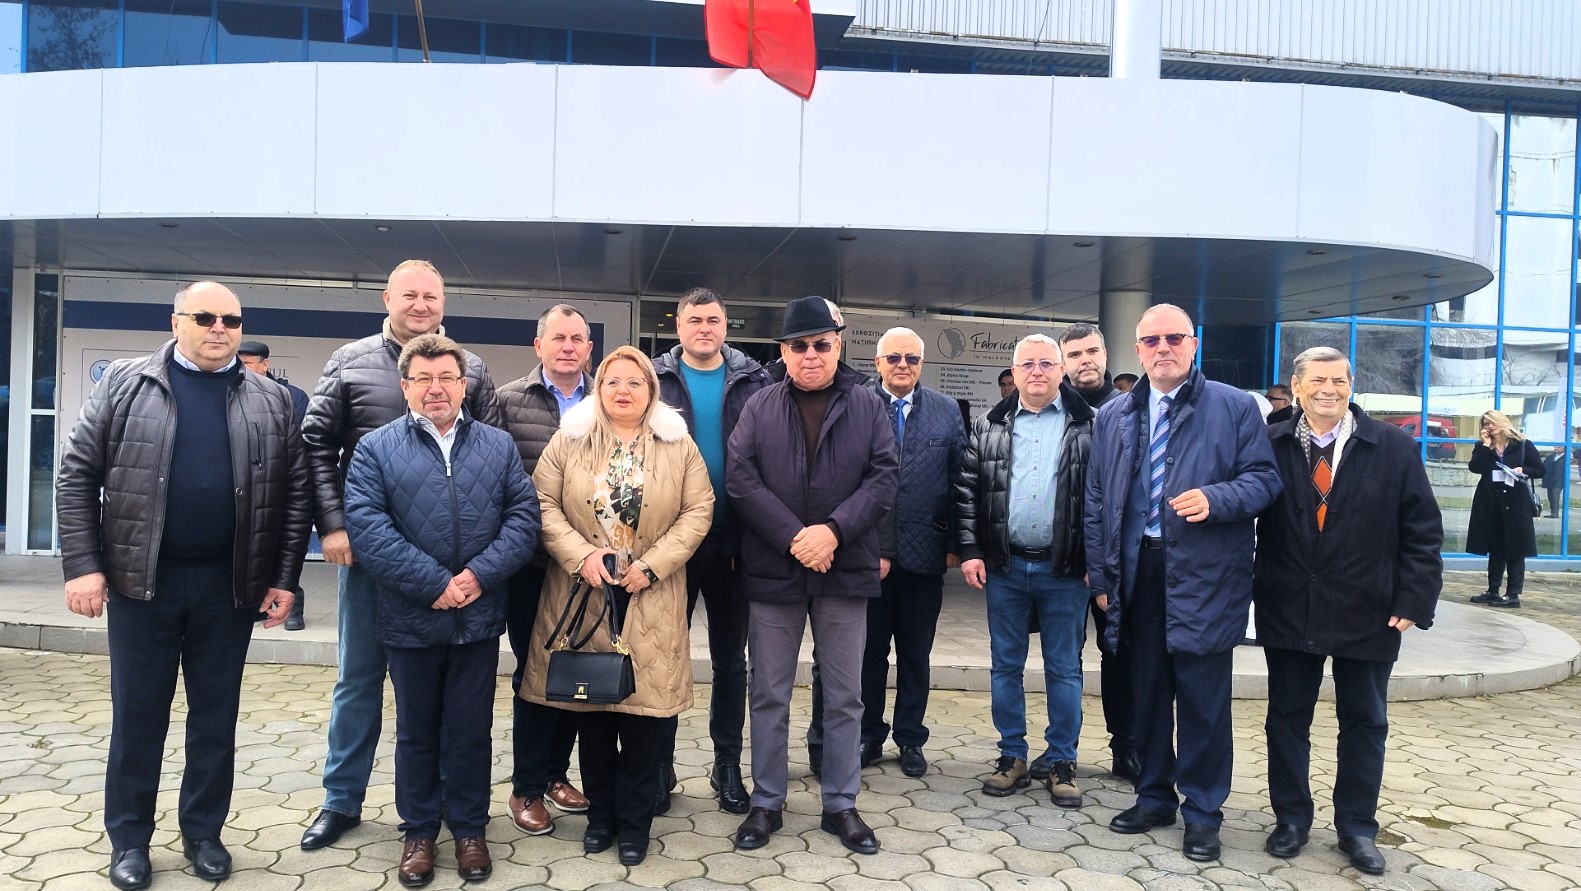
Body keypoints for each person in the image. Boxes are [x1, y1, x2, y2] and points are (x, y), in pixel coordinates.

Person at [58, 282, 311, 890]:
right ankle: (129, 840)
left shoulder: (271, 399)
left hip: (229, 588)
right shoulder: (126, 384)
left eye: (231, 319)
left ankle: (203, 833)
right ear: (176, 323)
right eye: (205, 317)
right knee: (138, 717)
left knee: (215, 719)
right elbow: (76, 475)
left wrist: (284, 579)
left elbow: (294, 494)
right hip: (142, 585)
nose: (219, 328)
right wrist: (84, 565)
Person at [300, 260, 503, 851]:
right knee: (359, 677)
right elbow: (315, 445)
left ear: (444, 302)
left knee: (441, 694)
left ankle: (440, 806)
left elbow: (491, 457)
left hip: (452, 568)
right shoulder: (349, 360)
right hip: (373, 556)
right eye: (409, 294)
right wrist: (333, 525)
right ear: (387, 298)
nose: (421, 305)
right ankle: (342, 799)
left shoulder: (472, 367)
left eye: (431, 296)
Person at [1084, 303, 1280, 862]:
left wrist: (1217, 499)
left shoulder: (1235, 406)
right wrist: (1101, 572)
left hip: (1205, 573)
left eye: (1174, 338)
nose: (1163, 348)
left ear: (1193, 344)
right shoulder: (1115, 414)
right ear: (1138, 350)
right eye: (1151, 341)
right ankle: (1153, 796)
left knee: (1202, 700)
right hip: (1137, 571)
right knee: (1146, 693)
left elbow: (1265, 480)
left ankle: (1203, 812)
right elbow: (1096, 498)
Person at [343, 334, 540, 887]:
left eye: (447, 378)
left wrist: (478, 576)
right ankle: (420, 832)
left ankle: (470, 829)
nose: (436, 388)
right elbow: (368, 526)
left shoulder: (497, 446)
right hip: (412, 616)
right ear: (405, 386)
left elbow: (523, 517)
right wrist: (433, 583)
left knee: (472, 729)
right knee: (417, 732)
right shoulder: (374, 449)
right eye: (423, 379)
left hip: (477, 616)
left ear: (464, 385)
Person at [520, 346, 713, 866]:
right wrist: (581, 555)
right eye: (612, 381)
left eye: (635, 382)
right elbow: (542, 503)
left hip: (652, 592)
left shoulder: (678, 444)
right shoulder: (571, 440)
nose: (623, 391)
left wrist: (653, 565)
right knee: (595, 714)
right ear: (598, 388)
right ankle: (601, 817)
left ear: (652, 390)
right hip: (584, 590)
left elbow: (699, 509)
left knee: (645, 719)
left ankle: (635, 823)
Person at [1253, 346, 1442, 876]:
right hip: (1289, 603)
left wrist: (1414, 598)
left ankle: (1357, 828)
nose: (1328, 389)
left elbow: (1423, 530)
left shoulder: (1393, 446)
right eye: (1317, 380)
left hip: (1369, 607)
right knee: (1286, 718)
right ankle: (1291, 819)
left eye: (1338, 380)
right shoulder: (1268, 442)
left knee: (1365, 721)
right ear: (1297, 387)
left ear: (1351, 385)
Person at [727, 296, 898, 855]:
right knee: (768, 692)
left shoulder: (868, 403)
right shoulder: (760, 405)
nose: (810, 355)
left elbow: (884, 475)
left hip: (844, 567)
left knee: (846, 695)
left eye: (821, 344)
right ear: (783, 351)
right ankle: (766, 802)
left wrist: (833, 532)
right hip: (774, 570)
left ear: (837, 345)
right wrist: (796, 538)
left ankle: (841, 804)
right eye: (798, 346)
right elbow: (741, 478)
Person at [956, 334, 1094, 807]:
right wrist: (970, 550)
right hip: (1006, 566)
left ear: (1062, 370)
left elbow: (1103, 499)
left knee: (1064, 668)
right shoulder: (988, 425)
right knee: (1005, 666)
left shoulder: (1089, 425)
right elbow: (967, 492)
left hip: (1065, 570)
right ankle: (1011, 755)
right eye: (1027, 364)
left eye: (1046, 363)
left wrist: (1097, 561)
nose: (1037, 371)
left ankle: (1062, 761)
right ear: (1013, 373)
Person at [653, 288, 772, 814]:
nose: (705, 328)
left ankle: (727, 765)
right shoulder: (655, 379)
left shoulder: (754, 381)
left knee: (730, 662)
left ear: (726, 326)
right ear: (678, 326)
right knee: (664, 657)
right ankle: (659, 766)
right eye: (695, 320)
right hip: (669, 546)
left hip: (734, 545)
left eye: (714, 320)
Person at [495, 304, 597, 835]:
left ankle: (557, 774)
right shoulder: (507, 401)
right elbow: (495, 481)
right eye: (558, 338)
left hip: (590, 571)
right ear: (539, 346)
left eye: (577, 339)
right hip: (532, 565)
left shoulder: (608, 400)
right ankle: (527, 787)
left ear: (589, 349)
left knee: (574, 673)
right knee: (535, 674)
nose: (568, 347)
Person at [862, 327, 965, 777]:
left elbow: (962, 480)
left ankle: (909, 738)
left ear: (922, 364)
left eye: (911, 358)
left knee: (915, 655)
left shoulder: (946, 410)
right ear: (878, 363)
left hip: (925, 556)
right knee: (868, 655)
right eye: (894, 357)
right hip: (868, 556)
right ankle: (868, 735)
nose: (902, 365)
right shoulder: (858, 404)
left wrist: (957, 544)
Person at [1047, 323, 1138, 787]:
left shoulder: (1131, 409)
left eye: (1092, 351)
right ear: (1063, 362)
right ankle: (1060, 753)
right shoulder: (1051, 407)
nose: (1085, 360)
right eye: (1075, 354)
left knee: (1119, 652)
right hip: (1062, 558)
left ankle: (1126, 747)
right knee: (1063, 658)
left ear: (1105, 354)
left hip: (1114, 558)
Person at [237, 339, 312, 631]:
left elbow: (298, 445)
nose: (241, 369)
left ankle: (293, 602)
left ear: (265, 365)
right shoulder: (230, 391)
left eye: (247, 363)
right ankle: (257, 603)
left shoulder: (292, 396)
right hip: (243, 489)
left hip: (279, 485)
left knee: (283, 548)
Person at [1466, 410, 1542, 609]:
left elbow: (1540, 469)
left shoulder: (1522, 445)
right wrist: (1485, 445)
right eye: (1486, 424)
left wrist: (1523, 470)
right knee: (1496, 548)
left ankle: (1513, 595)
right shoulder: (1483, 447)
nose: (1490, 427)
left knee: (1516, 549)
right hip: (1491, 503)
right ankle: (1493, 591)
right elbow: (1475, 467)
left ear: (1502, 422)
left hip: (1516, 504)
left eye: (1492, 423)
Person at [1542, 446, 1566, 518]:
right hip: (1549, 480)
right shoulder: (1551, 456)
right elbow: (1543, 465)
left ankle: (1555, 513)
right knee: (1550, 496)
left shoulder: (1565, 458)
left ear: (1564, 448)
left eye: (1558, 447)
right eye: (1555, 447)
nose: (1556, 448)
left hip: (1559, 481)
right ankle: (1552, 511)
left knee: (1555, 496)